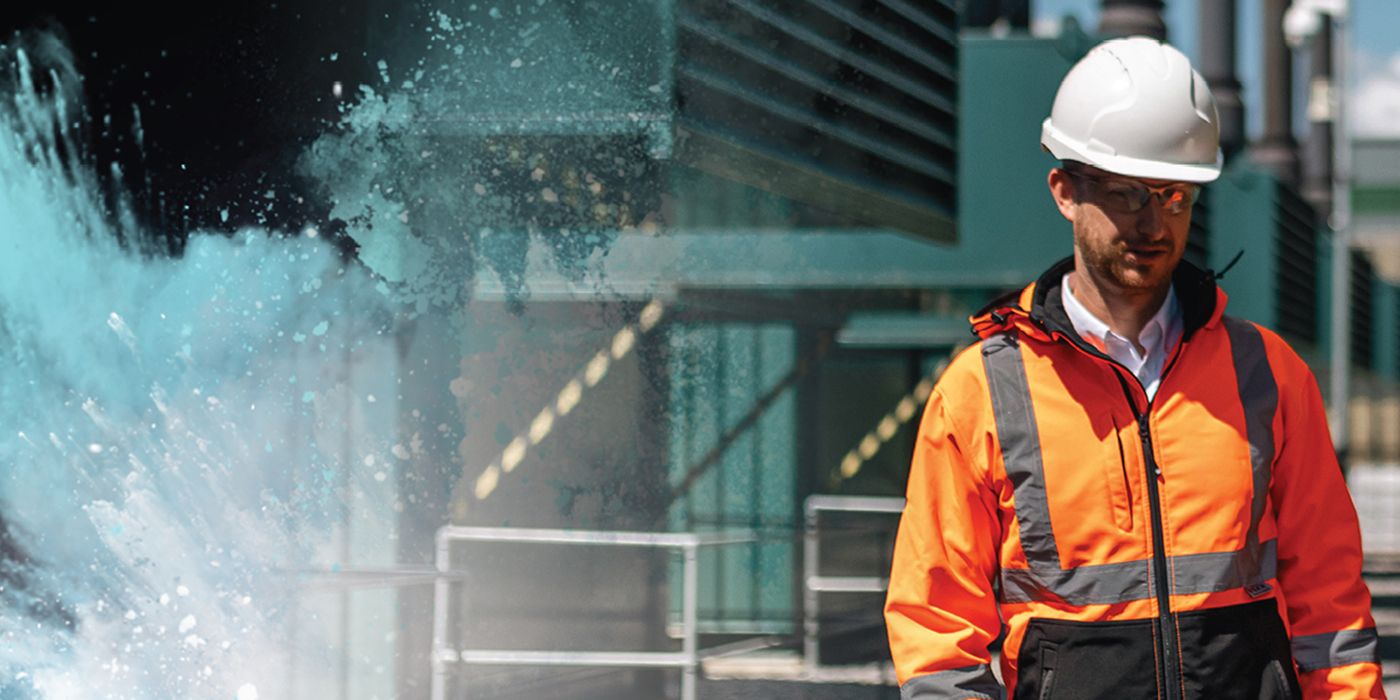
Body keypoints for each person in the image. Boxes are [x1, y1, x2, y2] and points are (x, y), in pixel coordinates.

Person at [884, 36, 1384, 699]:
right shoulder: (982, 390)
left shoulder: (1269, 373)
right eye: (1125, 194)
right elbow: (936, 627)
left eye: (1174, 194)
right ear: (1064, 190)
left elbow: (1331, 602)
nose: (1152, 221)